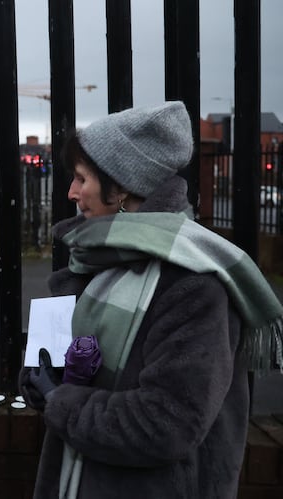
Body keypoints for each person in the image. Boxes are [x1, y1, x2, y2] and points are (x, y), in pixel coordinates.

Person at [20, 101, 283, 499]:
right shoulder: (93, 256)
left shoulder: (193, 284)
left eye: (80, 178)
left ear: (122, 185)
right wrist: (43, 381)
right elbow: (73, 371)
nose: (71, 192)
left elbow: (167, 423)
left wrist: (63, 402)